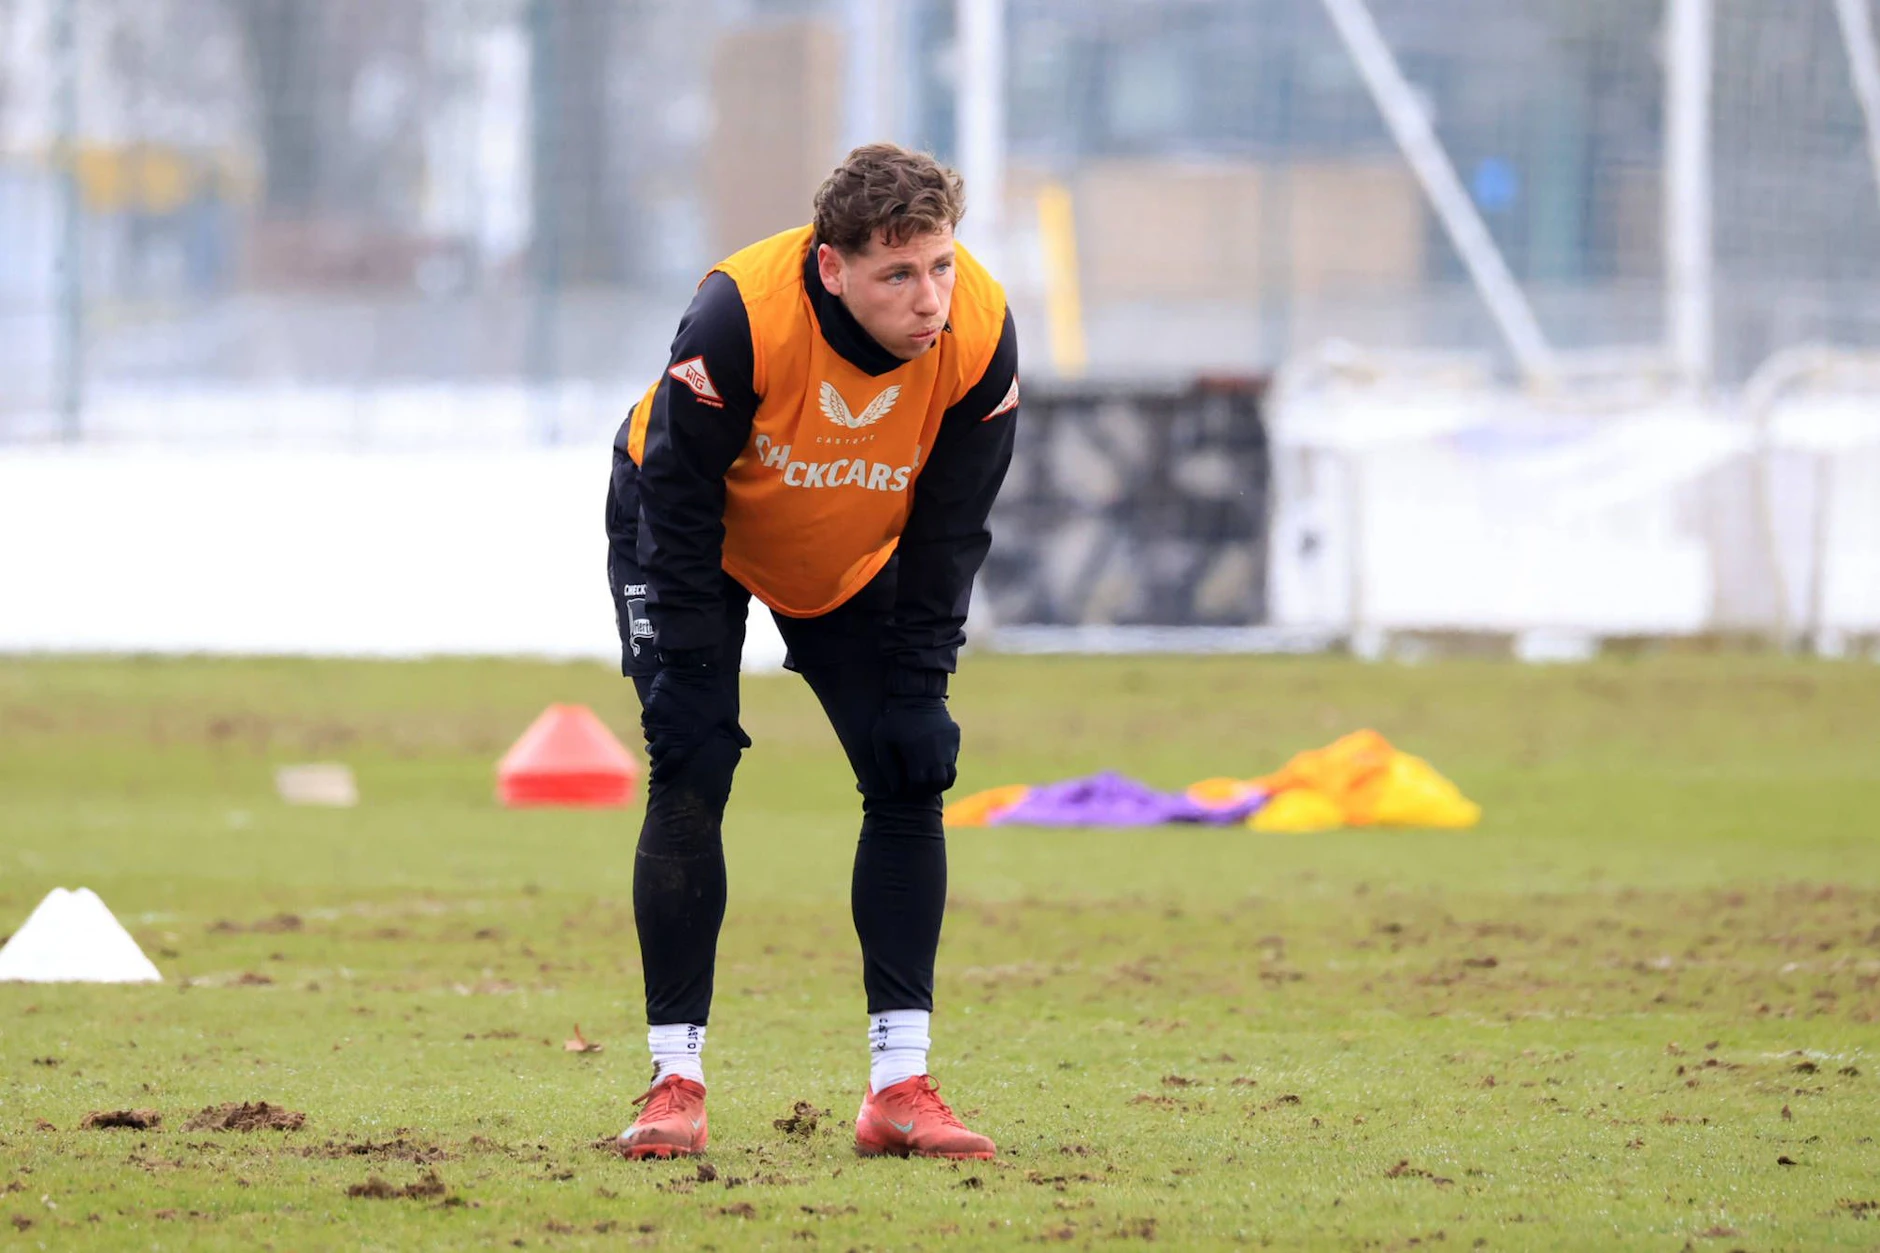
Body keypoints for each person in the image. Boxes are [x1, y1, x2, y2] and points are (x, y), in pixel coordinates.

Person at [604, 143, 1019, 1161]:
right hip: (689, 537)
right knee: (691, 759)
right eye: (896, 274)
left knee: (908, 764)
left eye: (939, 267)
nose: (928, 299)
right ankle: (674, 1082)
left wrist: (922, 683)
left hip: (843, 553)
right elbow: (679, 501)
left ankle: (899, 1085)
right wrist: (692, 672)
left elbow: (948, 531)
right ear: (831, 268)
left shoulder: (981, 334)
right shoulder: (736, 316)